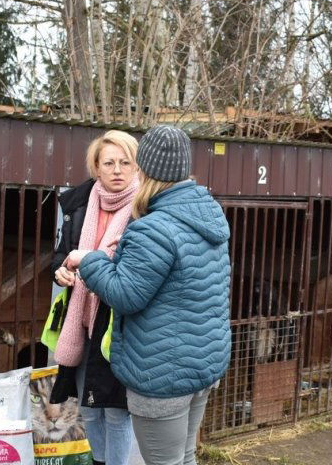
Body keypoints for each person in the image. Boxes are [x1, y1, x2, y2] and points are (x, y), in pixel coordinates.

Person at [65, 125, 231, 465]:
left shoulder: (153, 227)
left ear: (145, 169)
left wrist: (90, 259)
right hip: (202, 363)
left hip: (163, 370)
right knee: (184, 457)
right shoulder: (208, 214)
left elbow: (126, 295)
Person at [50, 130, 141, 465]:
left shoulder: (143, 210)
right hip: (83, 323)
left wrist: (91, 264)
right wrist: (61, 271)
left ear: (136, 168)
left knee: (117, 412)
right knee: (89, 408)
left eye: (124, 162)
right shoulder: (79, 205)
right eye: (109, 163)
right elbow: (61, 255)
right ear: (96, 168)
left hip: (121, 325)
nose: (117, 170)